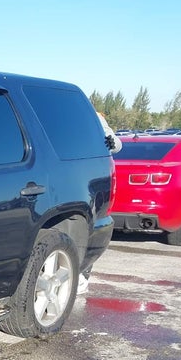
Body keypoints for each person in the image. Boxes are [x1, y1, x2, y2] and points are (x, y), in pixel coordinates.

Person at [77, 112, 122, 295]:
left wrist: (111, 142)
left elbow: (116, 144)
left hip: (94, 175)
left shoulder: (95, 117)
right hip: (74, 171)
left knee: (91, 223)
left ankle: (83, 273)